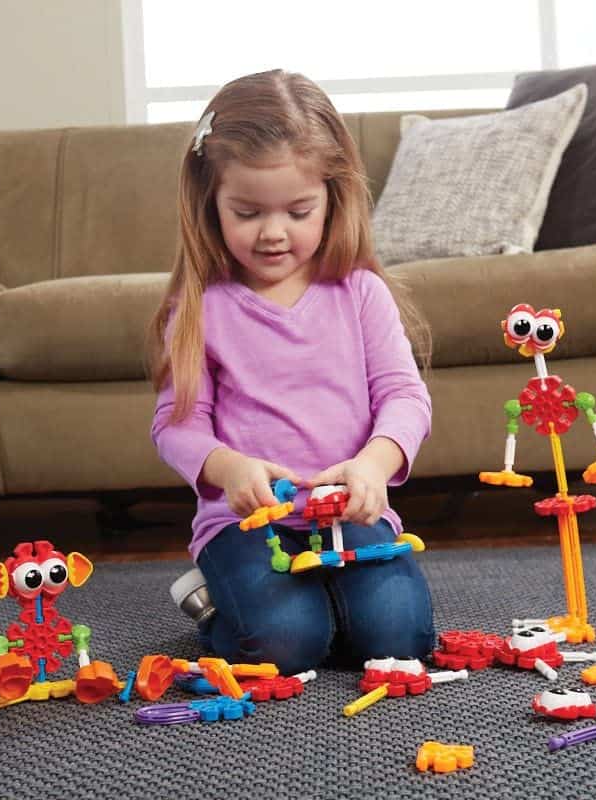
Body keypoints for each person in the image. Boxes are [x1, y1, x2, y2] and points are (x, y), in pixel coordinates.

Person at [148, 69, 434, 676]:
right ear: (211, 203)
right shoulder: (202, 307)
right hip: (247, 522)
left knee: (400, 639)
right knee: (282, 646)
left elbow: (404, 397)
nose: (274, 233)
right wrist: (229, 469)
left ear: (333, 197)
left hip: (348, 509)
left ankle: (326, 599)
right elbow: (177, 425)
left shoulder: (360, 293)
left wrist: (373, 464)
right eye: (247, 212)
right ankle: (213, 604)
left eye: (299, 210)